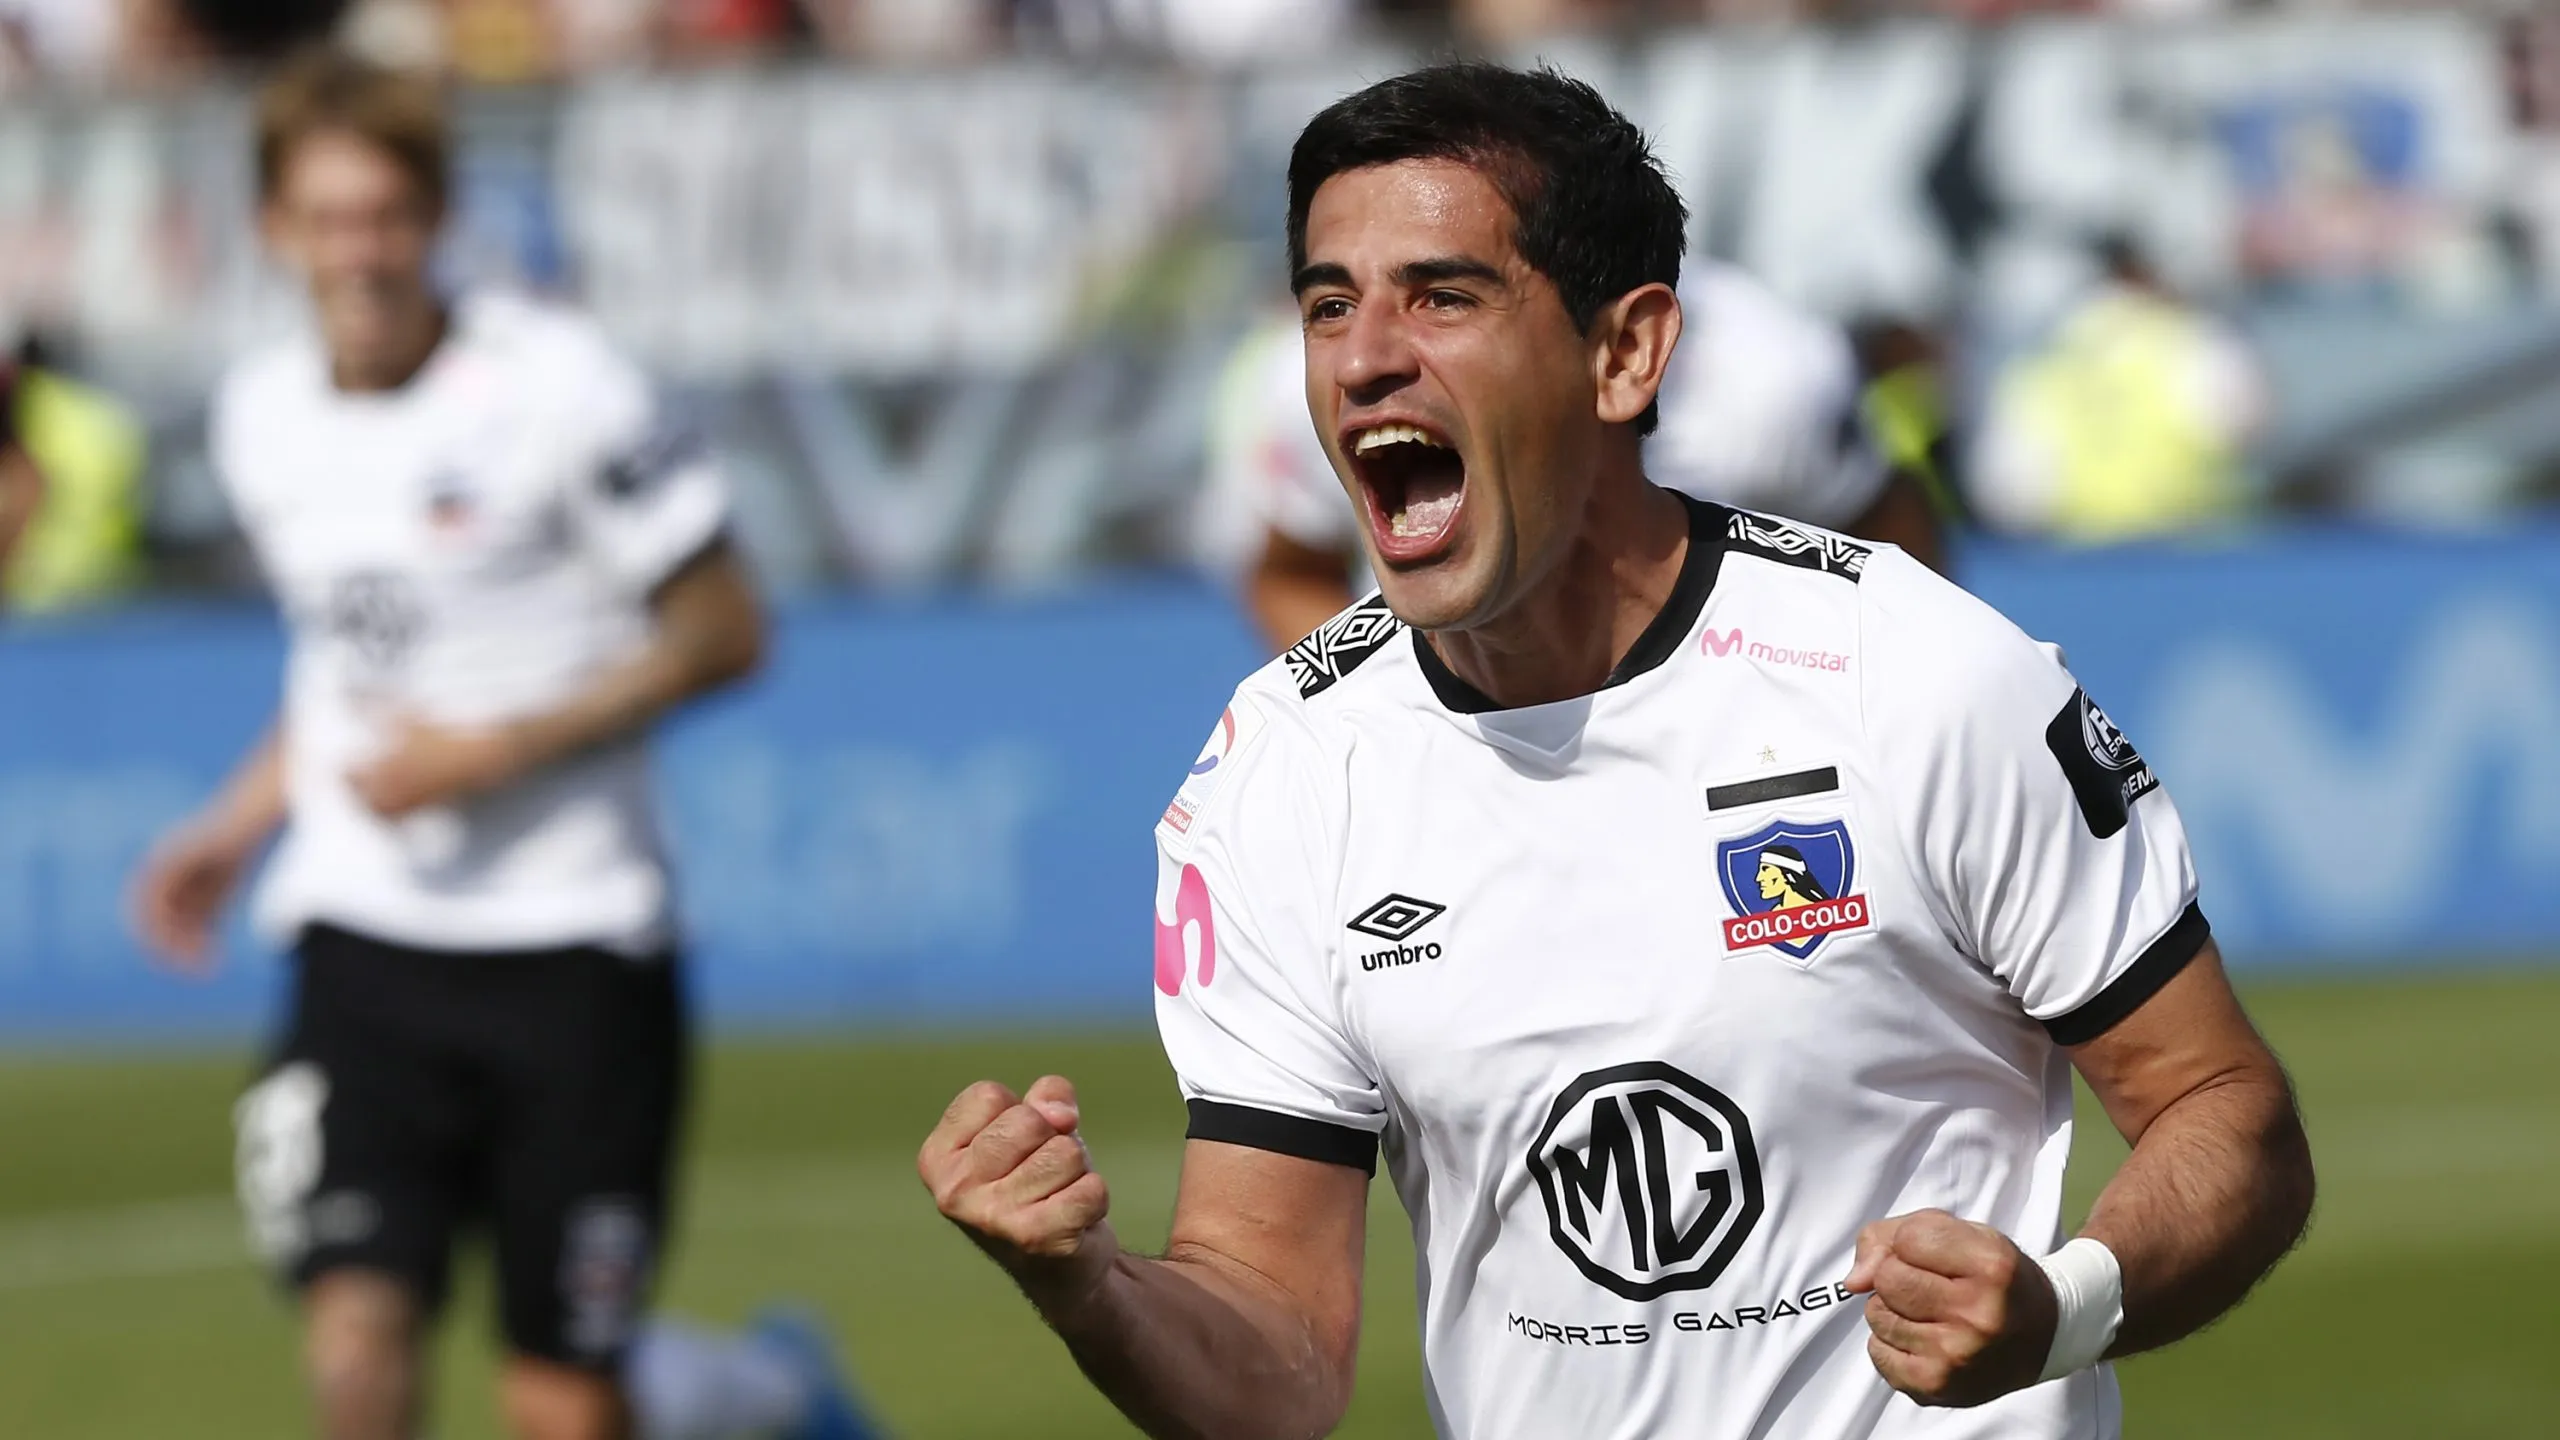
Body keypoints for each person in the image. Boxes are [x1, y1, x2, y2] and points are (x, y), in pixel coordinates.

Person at [921, 63, 2313, 1440]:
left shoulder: (1918, 676)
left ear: (1625, 354)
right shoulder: (1277, 776)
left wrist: (2058, 1308)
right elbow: (1271, 1360)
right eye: (1329, 304)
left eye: (1442, 296)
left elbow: (2224, 1107)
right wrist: (1089, 1286)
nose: (1362, 357)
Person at [125, 51, 869, 1440]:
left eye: (387, 215)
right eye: (327, 219)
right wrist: (234, 828)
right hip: (362, 940)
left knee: (562, 1405)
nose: (360, 253)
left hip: (577, 944)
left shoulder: (562, 388)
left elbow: (726, 631)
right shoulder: (260, 417)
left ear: (437, 215)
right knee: (356, 1348)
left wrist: (498, 751)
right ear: (274, 229)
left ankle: (764, 1400)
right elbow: (345, 672)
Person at [1222, 258, 1943, 652]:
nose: (1373, 353)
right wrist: (1382, 726)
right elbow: (1292, 573)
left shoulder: (1766, 376)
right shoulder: (1331, 386)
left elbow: (1902, 563)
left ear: (1635, 343)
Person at [1973, 235, 2267, 543]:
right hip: (2192, 545)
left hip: (2076, 554)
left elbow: (2006, 494)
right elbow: (2250, 427)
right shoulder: (2195, 344)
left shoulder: (2036, 368)